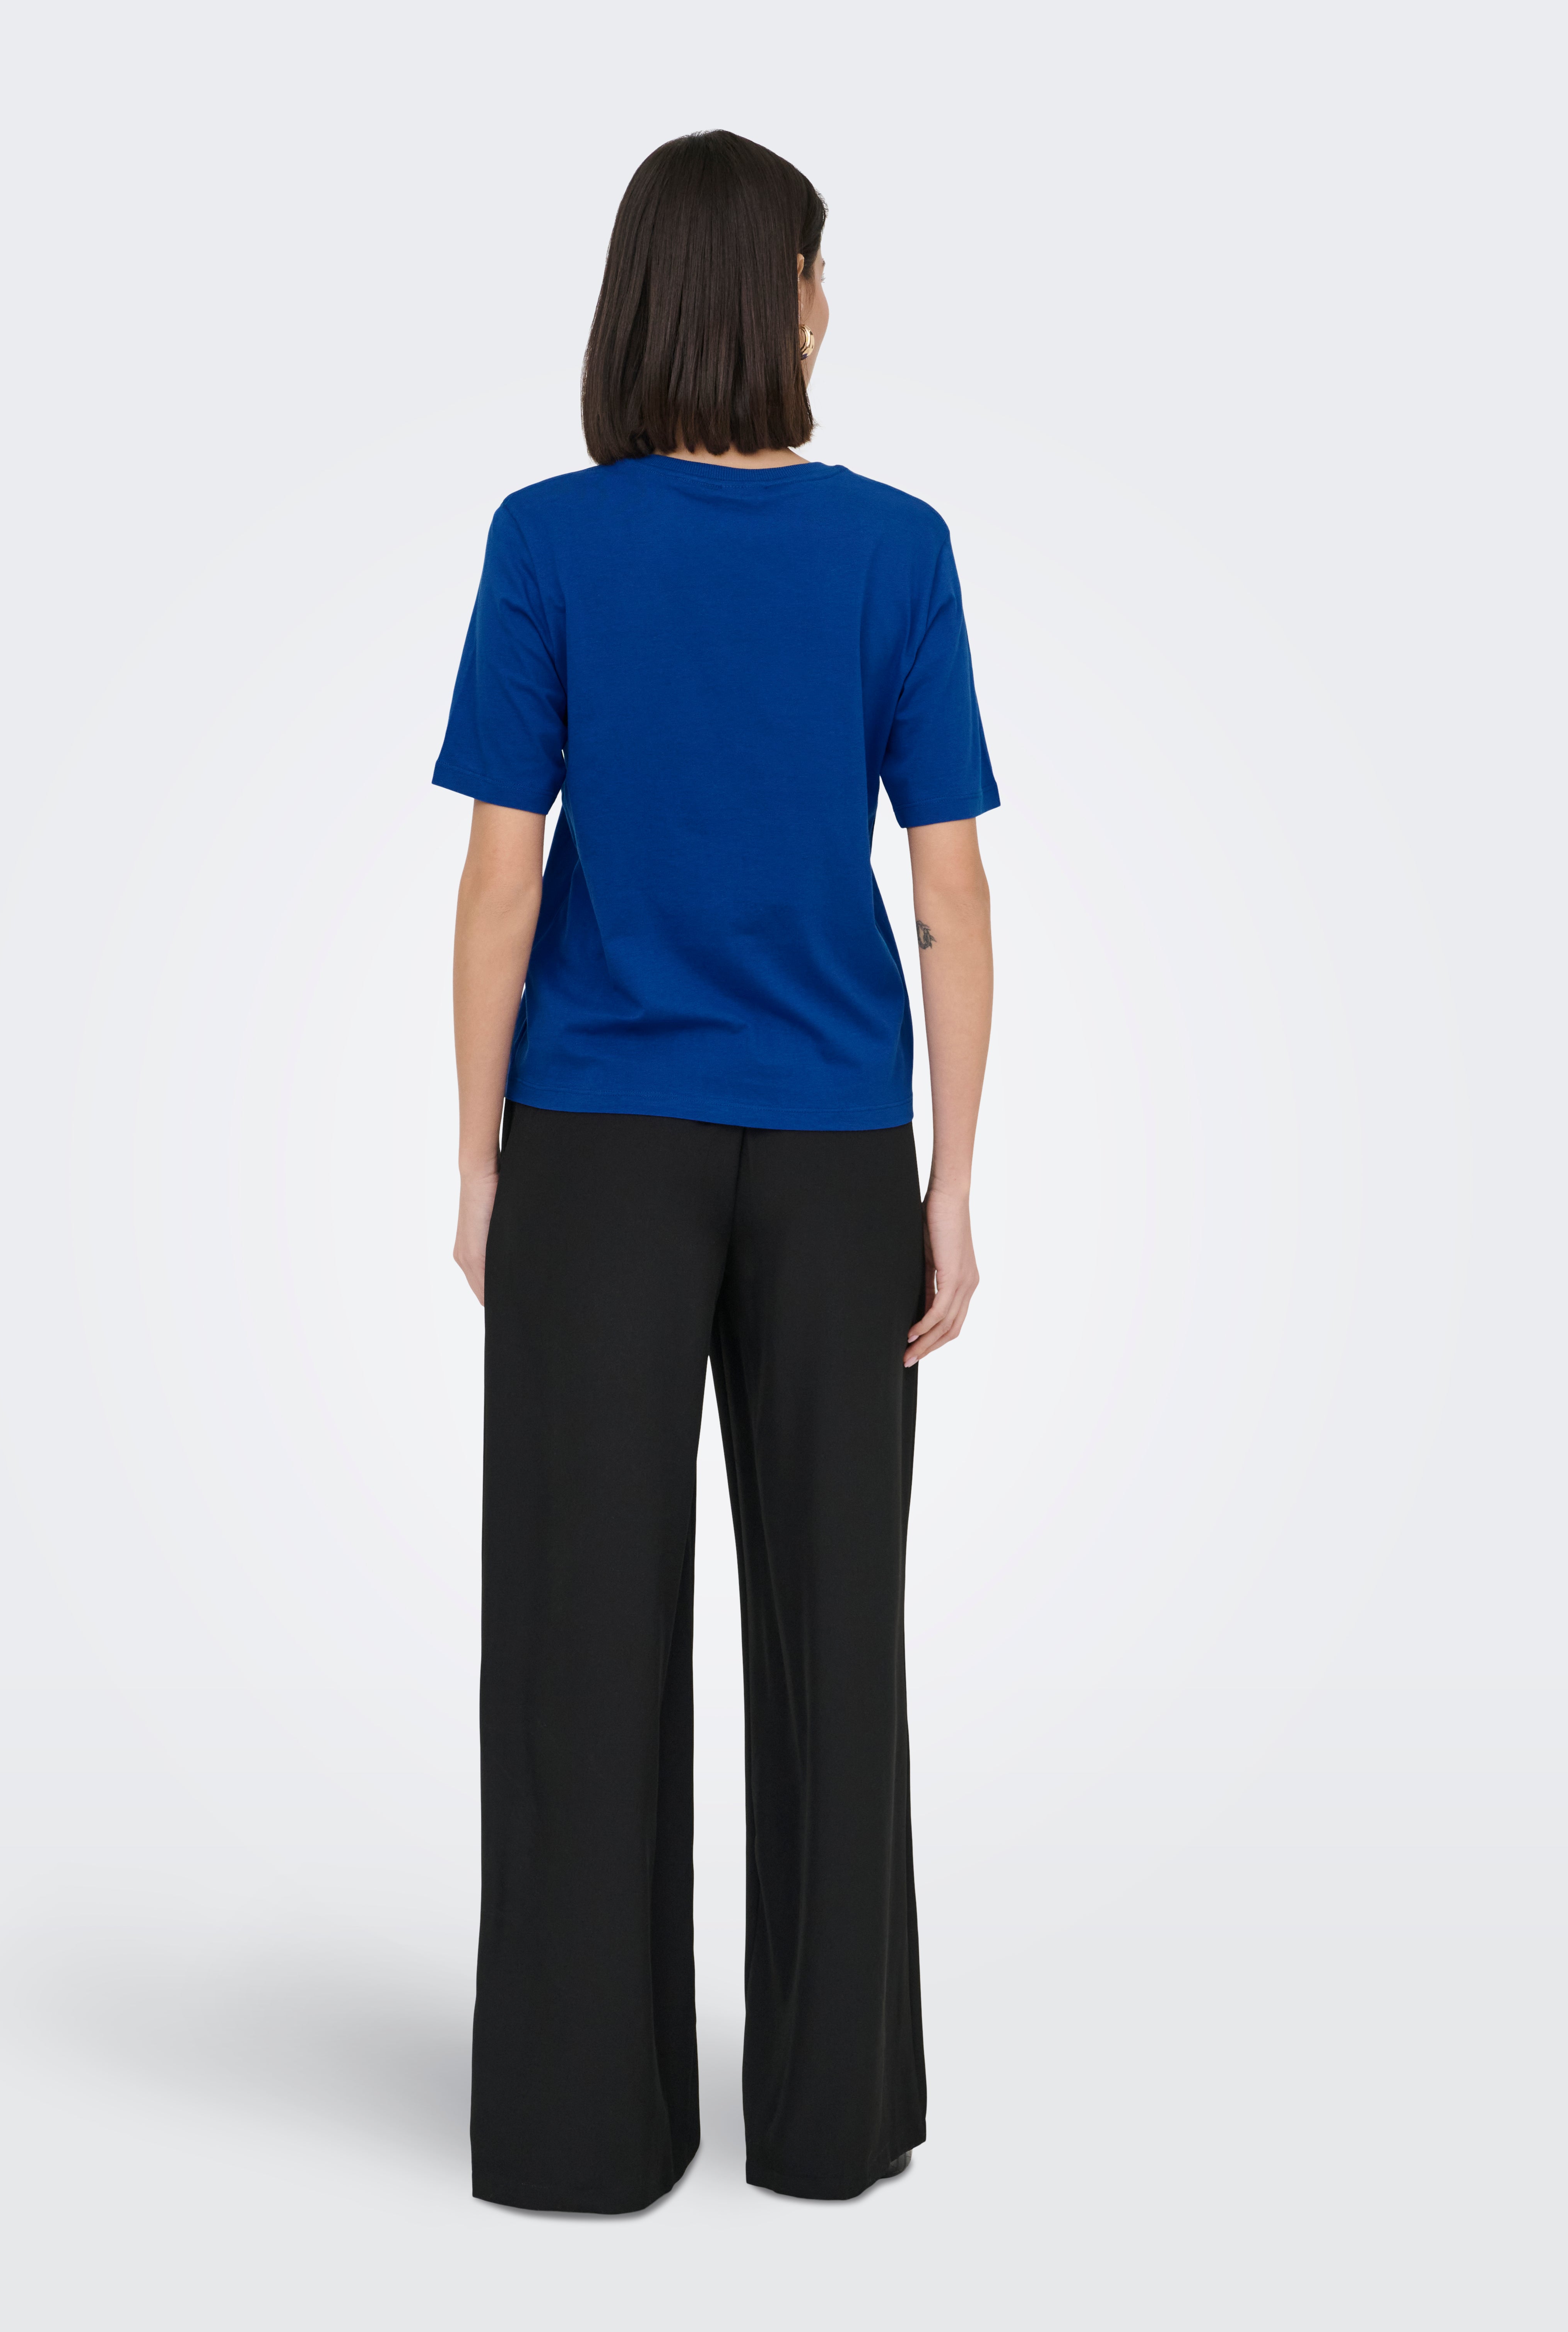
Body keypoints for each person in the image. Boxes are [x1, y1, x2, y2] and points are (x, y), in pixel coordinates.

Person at [434, 128, 996, 2214]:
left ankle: (579, 2132)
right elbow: (951, 893)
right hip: (839, 1148)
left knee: (577, 1635)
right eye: (819, 269)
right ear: (773, 297)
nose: (832, 302)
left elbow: (500, 882)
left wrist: (477, 1153)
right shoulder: (894, 551)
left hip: (595, 1144)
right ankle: (833, 2123)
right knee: (838, 1638)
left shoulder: (550, 541)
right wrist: (951, 1184)